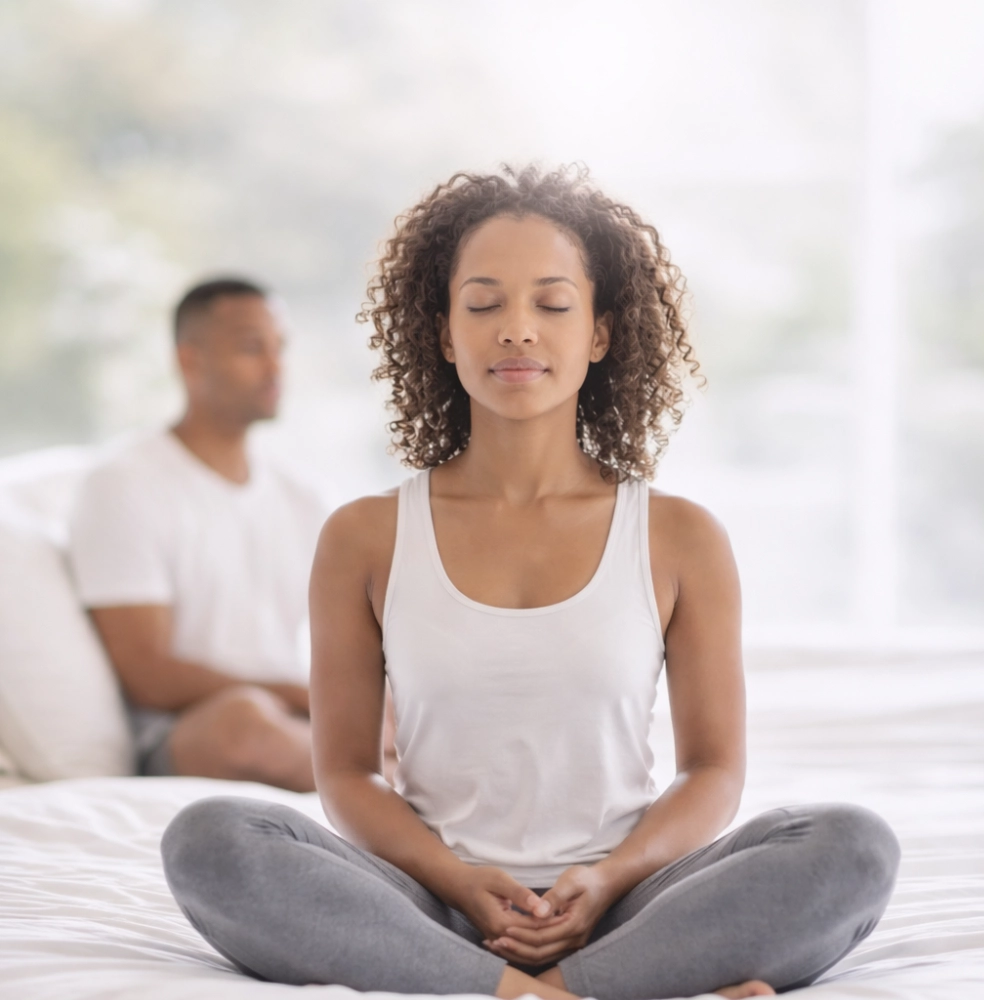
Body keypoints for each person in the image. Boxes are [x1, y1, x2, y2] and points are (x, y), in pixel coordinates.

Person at [159, 169, 900, 999]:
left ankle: (520, 988)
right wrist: (454, 878)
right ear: (442, 334)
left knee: (852, 845)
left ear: (599, 334)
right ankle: (568, 991)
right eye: (483, 305)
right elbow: (348, 774)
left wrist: (610, 877)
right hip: (431, 903)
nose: (516, 330)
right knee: (211, 838)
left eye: (551, 305)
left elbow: (714, 770)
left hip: (632, 902)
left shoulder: (680, 536)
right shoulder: (362, 537)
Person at [70, 277, 397, 790]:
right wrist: (301, 695)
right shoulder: (122, 484)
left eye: (279, 348)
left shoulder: (303, 496)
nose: (274, 368)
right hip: (184, 730)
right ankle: (397, 795)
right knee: (246, 721)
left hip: (295, 718)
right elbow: (147, 674)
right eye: (251, 348)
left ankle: (400, 785)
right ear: (189, 361)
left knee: (400, 705)